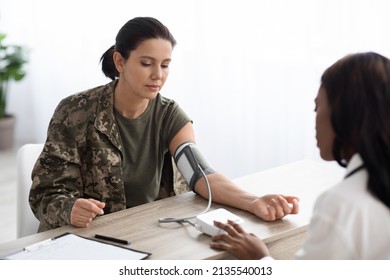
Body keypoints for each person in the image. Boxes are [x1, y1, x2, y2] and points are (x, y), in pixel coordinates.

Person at [29, 17, 300, 232]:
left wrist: (253, 201)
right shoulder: (74, 112)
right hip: (86, 238)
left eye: (165, 65)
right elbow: (45, 193)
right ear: (120, 61)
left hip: (148, 234)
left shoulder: (170, 115)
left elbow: (200, 174)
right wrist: (70, 208)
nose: (158, 75)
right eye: (147, 63)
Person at [210, 52, 390, 259]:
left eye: (317, 107)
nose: (314, 120)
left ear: (345, 112)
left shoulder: (342, 205)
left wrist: (260, 258)